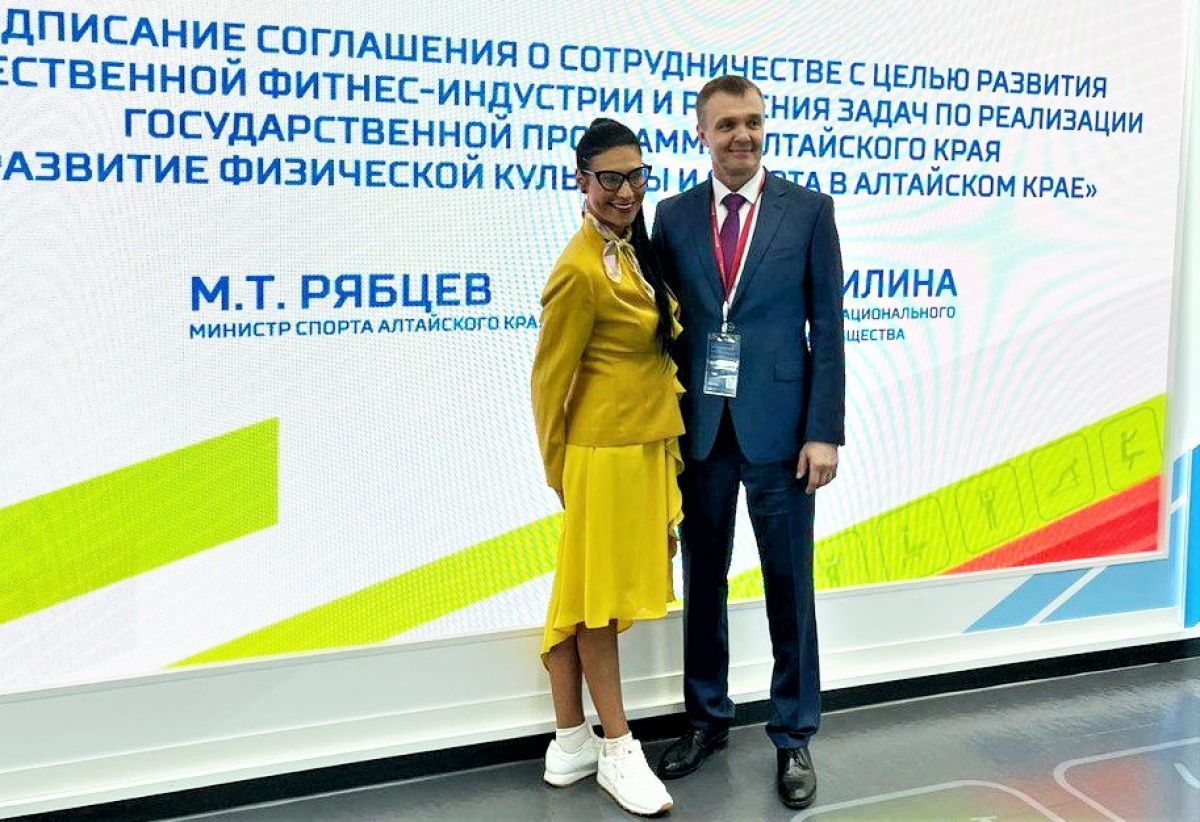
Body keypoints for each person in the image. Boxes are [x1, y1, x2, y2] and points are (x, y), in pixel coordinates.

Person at [651, 75, 846, 810]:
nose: (743, 136)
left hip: (784, 435)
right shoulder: (671, 217)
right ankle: (707, 718)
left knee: (789, 587)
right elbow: (663, 331)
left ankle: (793, 733)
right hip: (701, 433)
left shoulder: (809, 211)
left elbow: (828, 329)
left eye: (754, 122)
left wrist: (823, 431)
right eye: (727, 124)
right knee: (703, 584)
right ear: (701, 133)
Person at [530, 117, 684, 816]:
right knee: (599, 603)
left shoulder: (632, 250)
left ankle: (571, 739)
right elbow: (548, 384)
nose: (626, 191)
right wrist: (562, 475)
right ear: (582, 181)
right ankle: (618, 748)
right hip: (601, 458)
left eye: (636, 176)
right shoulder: (578, 269)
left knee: (585, 593)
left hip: (642, 448)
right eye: (611, 179)